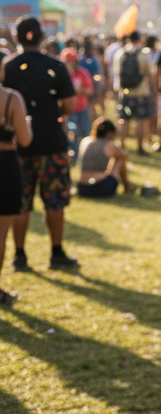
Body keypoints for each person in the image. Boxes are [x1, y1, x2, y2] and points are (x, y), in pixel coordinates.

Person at [3, 17, 79, 271]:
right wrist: (53, 112)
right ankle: (56, 253)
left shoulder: (7, 67)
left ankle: (20, 255)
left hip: (17, 146)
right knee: (54, 200)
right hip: (51, 143)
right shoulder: (55, 66)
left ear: (17, 36)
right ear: (41, 36)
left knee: (21, 203)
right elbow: (69, 105)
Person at [0, 63, 32, 303]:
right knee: (0, 232)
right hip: (5, 164)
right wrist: (27, 123)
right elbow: (24, 139)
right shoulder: (11, 98)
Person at [113, 31, 155, 155]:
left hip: (125, 93)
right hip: (141, 92)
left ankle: (122, 145)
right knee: (140, 120)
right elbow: (150, 73)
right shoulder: (144, 53)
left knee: (124, 119)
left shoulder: (121, 53)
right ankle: (140, 147)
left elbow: (117, 73)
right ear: (139, 39)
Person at [77, 118, 134, 197]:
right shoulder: (109, 145)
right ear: (110, 133)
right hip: (101, 187)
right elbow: (125, 156)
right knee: (120, 158)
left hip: (82, 187)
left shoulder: (85, 141)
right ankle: (126, 185)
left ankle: (126, 185)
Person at [61, 47, 94, 163]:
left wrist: (80, 90)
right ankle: (73, 156)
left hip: (82, 108)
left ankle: (87, 155)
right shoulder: (61, 75)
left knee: (85, 131)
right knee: (71, 133)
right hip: (67, 110)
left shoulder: (83, 73)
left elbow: (90, 90)